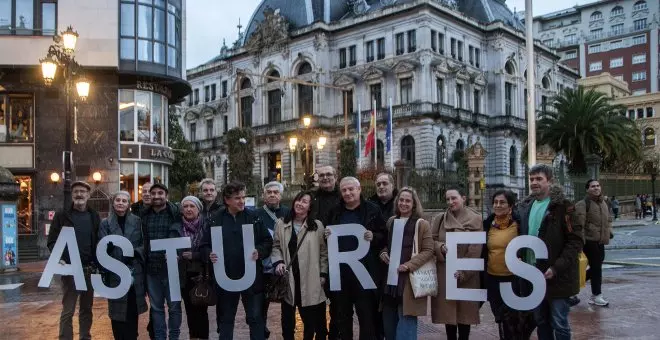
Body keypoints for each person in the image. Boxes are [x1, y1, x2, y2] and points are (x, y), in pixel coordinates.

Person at [517, 164, 583, 340]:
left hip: (557, 277)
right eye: (531, 179)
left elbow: (575, 242)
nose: (534, 183)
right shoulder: (524, 207)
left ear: (550, 181)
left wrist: (556, 268)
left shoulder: (564, 207)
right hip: (532, 274)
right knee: (541, 321)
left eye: (539, 179)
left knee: (559, 322)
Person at [202, 181, 273, 340]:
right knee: (226, 320)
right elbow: (204, 245)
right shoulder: (215, 219)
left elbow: (267, 241)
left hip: (252, 279)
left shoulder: (254, 217)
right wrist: (209, 254)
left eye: (243, 197)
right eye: (237, 198)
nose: (242, 201)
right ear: (227, 200)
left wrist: (259, 251)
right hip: (225, 278)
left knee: (255, 318)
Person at [325, 176, 387, 340]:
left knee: (367, 319)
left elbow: (384, 235)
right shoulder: (334, 211)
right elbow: (327, 236)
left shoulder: (373, 210)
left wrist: (374, 236)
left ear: (359, 190)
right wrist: (326, 235)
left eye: (351, 189)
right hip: (341, 275)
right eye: (344, 190)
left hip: (365, 273)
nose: (348, 193)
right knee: (342, 319)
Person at [47, 181, 101, 340]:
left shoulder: (94, 215)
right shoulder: (62, 215)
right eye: (76, 191)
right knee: (68, 310)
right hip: (70, 269)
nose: (79, 194)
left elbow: (99, 240)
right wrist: (59, 257)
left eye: (82, 191)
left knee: (86, 308)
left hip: (89, 270)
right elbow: (52, 241)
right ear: (72, 195)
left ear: (88, 195)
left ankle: (85, 337)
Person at [272, 191, 328, 340]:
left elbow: (323, 252)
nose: (300, 204)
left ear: (310, 207)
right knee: (287, 324)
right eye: (298, 200)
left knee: (310, 324)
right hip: (288, 280)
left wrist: (323, 273)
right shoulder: (281, 223)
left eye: (304, 201)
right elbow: (276, 246)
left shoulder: (317, 226)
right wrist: (278, 262)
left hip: (310, 280)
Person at [378, 187, 433, 340]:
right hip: (390, 281)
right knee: (389, 324)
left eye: (408, 201)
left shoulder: (422, 224)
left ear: (414, 204)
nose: (404, 203)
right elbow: (385, 244)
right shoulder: (391, 222)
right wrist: (383, 253)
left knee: (406, 324)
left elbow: (428, 250)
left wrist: (409, 265)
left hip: (409, 281)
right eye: (401, 200)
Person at [431, 186, 483, 340]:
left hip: (467, 274)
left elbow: (476, 248)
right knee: (449, 315)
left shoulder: (476, 218)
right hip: (446, 272)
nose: (450, 202)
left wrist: (464, 272)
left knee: (464, 316)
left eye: (454, 198)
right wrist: (440, 247)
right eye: (448, 199)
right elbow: (431, 241)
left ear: (463, 198)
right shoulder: (440, 219)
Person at [482, 189, 534, 340]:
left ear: (510, 206)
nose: (498, 205)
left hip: (513, 280)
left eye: (502, 202)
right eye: (495, 202)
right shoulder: (487, 225)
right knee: (500, 317)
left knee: (512, 319)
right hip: (492, 279)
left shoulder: (519, 225)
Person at [99, 191, 148, 340]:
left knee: (132, 311)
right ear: (113, 203)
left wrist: (134, 252)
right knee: (117, 314)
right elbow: (100, 246)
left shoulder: (137, 221)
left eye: (124, 201)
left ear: (128, 204)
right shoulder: (105, 223)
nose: (121, 203)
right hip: (115, 274)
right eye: (118, 200)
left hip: (133, 272)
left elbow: (144, 244)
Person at [142, 183, 183, 340]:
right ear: (150, 196)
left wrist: (177, 253)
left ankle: (174, 337)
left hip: (171, 268)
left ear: (166, 195)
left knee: (174, 308)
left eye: (160, 193)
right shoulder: (144, 216)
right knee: (157, 308)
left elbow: (183, 236)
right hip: (152, 269)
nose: (157, 196)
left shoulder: (175, 214)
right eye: (154, 193)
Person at [256, 181, 290, 339]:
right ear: (263, 195)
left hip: (283, 264)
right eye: (268, 192)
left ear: (281, 195)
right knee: (261, 305)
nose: (272, 194)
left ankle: (287, 334)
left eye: (275, 192)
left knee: (287, 305)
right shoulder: (255, 214)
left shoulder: (289, 213)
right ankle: (261, 332)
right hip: (261, 266)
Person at [311, 165, 341, 339]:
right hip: (316, 256)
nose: (325, 177)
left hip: (340, 257)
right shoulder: (312, 197)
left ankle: (335, 335)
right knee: (317, 302)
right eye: (321, 175)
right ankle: (321, 334)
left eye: (329, 174)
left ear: (335, 176)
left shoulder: (344, 195)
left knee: (338, 303)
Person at [574, 179, 612, 307]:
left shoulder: (603, 203)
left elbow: (609, 220)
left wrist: (609, 231)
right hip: (589, 241)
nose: (596, 188)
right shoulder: (583, 204)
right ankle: (597, 295)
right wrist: (581, 242)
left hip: (600, 241)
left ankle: (572, 286)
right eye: (592, 186)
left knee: (596, 268)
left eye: (597, 186)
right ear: (587, 189)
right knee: (597, 268)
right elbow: (579, 225)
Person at [178, 196, 210, 340]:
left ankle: (203, 337)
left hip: (202, 273)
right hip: (184, 274)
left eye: (192, 206)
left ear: (198, 209)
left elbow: (210, 249)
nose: (189, 209)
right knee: (190, 310)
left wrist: (195, 255)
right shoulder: (176, 226)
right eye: (186, 206)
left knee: (202, 310)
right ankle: (193, 337)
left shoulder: (207, 225)